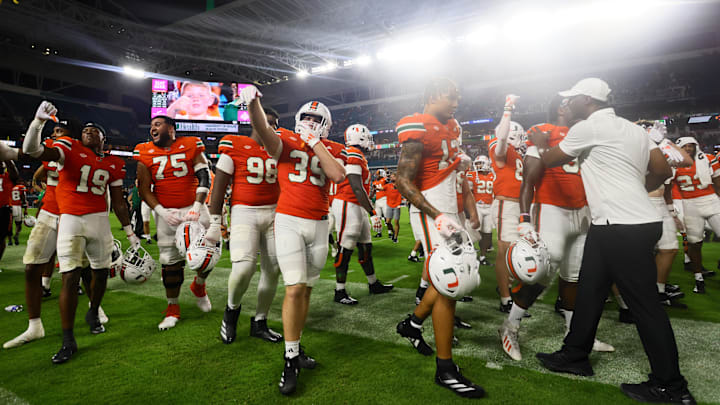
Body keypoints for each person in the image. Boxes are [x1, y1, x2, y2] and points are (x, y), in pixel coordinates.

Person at [531, 78, 695, 404]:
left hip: (621, 225)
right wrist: (632, 187)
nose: (567, 105)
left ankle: (671, 386)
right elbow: (662, 170)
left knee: (646, 306)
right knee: (590, 289)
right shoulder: (635, 129)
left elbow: (547, 160)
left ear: (587, 101)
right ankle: (575, 354)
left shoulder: (588, 127)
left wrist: (536, 142)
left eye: (572, 99)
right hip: (621, 222)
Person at [241, 86, 346, 395]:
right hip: (289, 220)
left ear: (325, 123)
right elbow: (262, 128)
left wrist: (315, 143)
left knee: (307, 290)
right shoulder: (285, 140)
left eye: (317, 119)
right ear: (300, 118)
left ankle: (295, 347)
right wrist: (253, 103)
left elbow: (338, 175)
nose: (311, 123)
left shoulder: (332, 148)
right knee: (295, 287)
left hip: (319, 224)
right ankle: (289, 359)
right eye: (307, 119)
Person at [22, 101, 139, 364]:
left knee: (99, 274)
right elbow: (32, 150)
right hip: (71, 219)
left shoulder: (114, 162)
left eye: (93, 129)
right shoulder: (68, 147)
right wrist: (38, 123)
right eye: (85, 129)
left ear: (103, 138)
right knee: (70, 277)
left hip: (99, 220)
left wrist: (130, 232)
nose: (87, 131)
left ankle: (94, 309)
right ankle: (68, 339)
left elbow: (119, 201)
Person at [499, 94, 614, 362]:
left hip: (583, 212)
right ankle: (510, 326)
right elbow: (529, 179)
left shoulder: (584, 132)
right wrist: (525, 218)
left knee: (574, 277)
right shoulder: (544, 131)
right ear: (563, 107)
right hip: (551, 209)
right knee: (540, 275)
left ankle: (574, 334)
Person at [393, 78, 484, 398]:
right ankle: (445, 369)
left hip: (450, 210)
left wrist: (468, 206)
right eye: (450, 97)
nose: (456, 103)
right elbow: (402, 180)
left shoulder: (453, 126)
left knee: (451, 278)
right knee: (450, 281)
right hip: (433, 211)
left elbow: (458, 172)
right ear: (432, 96)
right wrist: (437, 215)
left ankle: (413, 324)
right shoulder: (417, 127)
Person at [203, 106, 284, 344]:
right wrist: (215, 222)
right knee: (244, 269)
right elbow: (219, 187)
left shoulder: (280, 150)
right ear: (255, 123)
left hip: (274, 213)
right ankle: (231, 312)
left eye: (274, 124)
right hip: (244, 212)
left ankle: (260, 321)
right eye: (266, 121)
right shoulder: (235, 145)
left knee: (273, 269)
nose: (271, 127)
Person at [4, 118, 86, 349]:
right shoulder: (52, 151)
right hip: (49, 211)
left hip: (74, 213)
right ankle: (34, 325)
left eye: (62, 130)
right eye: (55, 130)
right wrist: (37, 124)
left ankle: (95, 310)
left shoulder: (79, 152)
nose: (57, 134)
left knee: (80, 269)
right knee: (32, 266)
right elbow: (32, 156)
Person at [134, 115, 212, 330]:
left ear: (171, 128)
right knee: (170, 262)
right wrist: (160, 211)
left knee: (208, 254)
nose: (153, 129)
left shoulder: (190, 144)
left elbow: (205, 176)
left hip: (193, 207)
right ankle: (172, 308)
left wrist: (197, 206)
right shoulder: (144, 151)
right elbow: (144, 189)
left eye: (158, 124)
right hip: (165, 211)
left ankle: (199, 285)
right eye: (151, 126)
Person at [331, 124, 393, 305]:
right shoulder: (354, 154)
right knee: (346, 246)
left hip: (356, 204)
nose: (371, 142)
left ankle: (373, 283)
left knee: (366, 246)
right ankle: (339, 290)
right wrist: (372, 212)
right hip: (347, 202)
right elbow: (355, 186)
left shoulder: (358, 155)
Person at [489, 94, 526, 313]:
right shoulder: (501, 148)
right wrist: (507, 109)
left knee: (517, 251)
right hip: (506, 205)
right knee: (504, 251)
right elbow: (501, 140)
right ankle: (505, 298)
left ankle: (510, 291)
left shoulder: (519, 156)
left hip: (519, 206)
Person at [673, 136, 720, 294]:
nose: (688, 149)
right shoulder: (673, 163)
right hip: (690, 205)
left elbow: (718, 183)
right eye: (685, 146)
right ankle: (698, 279)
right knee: (694, 242)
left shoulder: (708, 158)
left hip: (712, 201)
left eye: (691, 146)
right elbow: (667, 187)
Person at [466, 156, 494, 265]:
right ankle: (468, 254)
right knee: (472, 232)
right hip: (477, 206)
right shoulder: (472, 175)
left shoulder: (493, 175)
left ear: (486, 163)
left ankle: (482, 257)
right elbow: (468, 193)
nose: (477, 166)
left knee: (487, 233)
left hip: (489, 207)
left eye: (480, 163)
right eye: (477, 163)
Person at [0, 161, 19, 263]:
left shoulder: (8, 176)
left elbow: (15, 174)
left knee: (2, 238)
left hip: (3, 210)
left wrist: (8, 158)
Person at [383, 172, 402, 243]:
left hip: (397, 205)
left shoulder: (400, 185)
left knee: (396, 222)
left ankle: (395, 237)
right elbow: (381, 188)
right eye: (390, 177)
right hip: (389, 205)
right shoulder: (388, 185)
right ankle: (393, 232)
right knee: (387, 222)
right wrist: (376, 188)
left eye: (393, 177)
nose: (391, 178)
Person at [9, 180, 27, 245]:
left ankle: (10, 240)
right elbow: (23, 198)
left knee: (9, 224)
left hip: (9, 206)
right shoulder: (21, 187)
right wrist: (25, 209)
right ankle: (16, 235)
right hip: (17, 206)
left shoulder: (9, 186)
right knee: (18, 224)